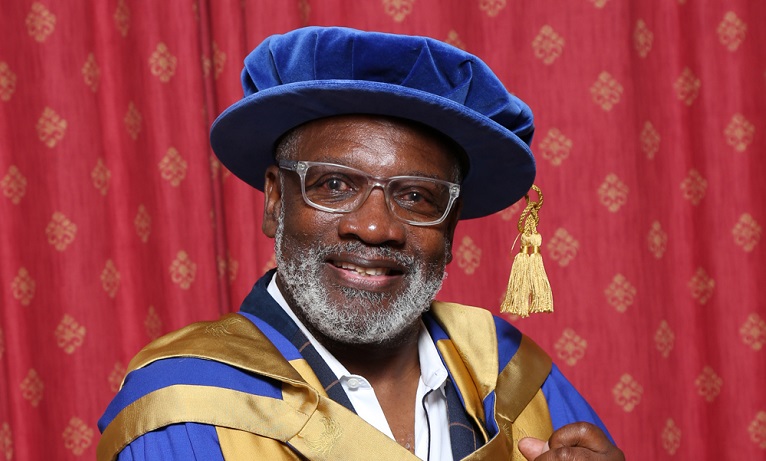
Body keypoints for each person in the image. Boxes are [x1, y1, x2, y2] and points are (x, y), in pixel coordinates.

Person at [97, 27, 624, 461]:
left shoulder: (507, 371)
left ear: (451, 224)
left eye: (417, 196)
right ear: (276, 201)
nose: (374, 229)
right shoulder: (186, 407)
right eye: (335, 186)